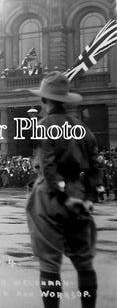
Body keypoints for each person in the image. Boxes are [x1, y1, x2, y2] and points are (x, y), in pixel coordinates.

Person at [25, 71, 102, 308]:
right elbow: (96, 166)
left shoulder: (44, 125)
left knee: (49, 264)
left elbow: (48, 166)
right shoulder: (82, 128)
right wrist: (89, 197)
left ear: (45, 100)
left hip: (49, 197)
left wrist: (61, 195)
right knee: (84, 262)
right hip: (79, 193)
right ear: (66, 100)